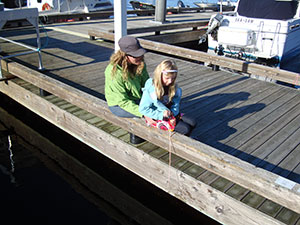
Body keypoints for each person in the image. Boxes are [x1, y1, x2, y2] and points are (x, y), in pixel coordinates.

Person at [104, 35, 149, 144]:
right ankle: (136, 135)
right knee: (148, 114)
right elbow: (122, 102)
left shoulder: (140, 64)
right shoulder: (114, 72)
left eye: (141, 54)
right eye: (136, 55)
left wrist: (157, 95)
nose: (140, 57)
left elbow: (147, 84)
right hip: (118, 105)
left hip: (136, 98)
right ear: (124, 55)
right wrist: (143, 113)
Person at [139, 59, 196, 136]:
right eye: (167, 78)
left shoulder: (174, 88)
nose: (170, 81)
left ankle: (183, 137)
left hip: (170, 114)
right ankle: (179, 141)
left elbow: (175, 105)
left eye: (173, 78)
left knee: (193, 122)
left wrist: (172, 115)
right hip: (157, 116)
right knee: (185, 129)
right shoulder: (151, 88)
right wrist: (162, 115)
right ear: (160, 75)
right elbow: (143, 108)